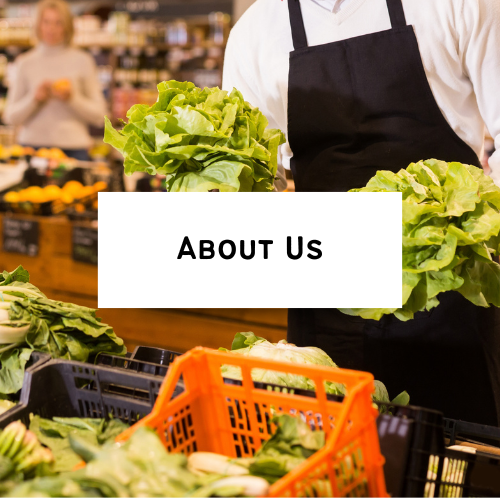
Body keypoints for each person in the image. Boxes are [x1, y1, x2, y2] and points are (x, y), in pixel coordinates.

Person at [223, 0, 500, 426]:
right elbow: (254, 186)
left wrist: (477, 227)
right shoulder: (254, 33)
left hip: (450, 294)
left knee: (455, 465)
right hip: (327, 303)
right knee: (329, 459)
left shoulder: (458, 3)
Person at [3, 0, 106, 162]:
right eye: (46, 22)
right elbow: (10, 117)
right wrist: (34, 99)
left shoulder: (83, 60)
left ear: (67, 26)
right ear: (38, 25)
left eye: (58, 22)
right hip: (31, 150)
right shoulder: (25, 62)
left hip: (74, 151)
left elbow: (100, 115)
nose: (51, 28)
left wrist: (72, 98)